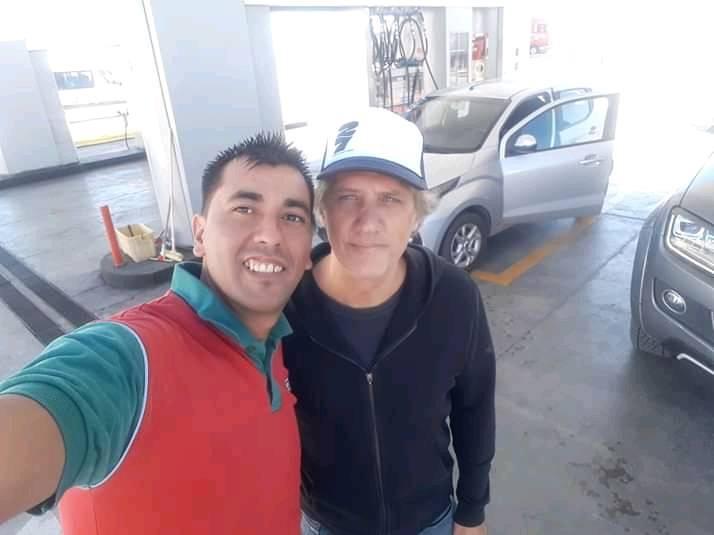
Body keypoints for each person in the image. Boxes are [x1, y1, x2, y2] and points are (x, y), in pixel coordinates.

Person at [0, 133, 314, 534]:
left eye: (292, 217)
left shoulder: (278, 341)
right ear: (199, 235)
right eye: (244, 209)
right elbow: (54, 406)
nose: (270, 235)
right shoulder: (130, 358)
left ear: (308, 251)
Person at [283, 108, 496, 535]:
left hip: (429, 521)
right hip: (327, 524)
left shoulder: (453, 297)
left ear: (416, 216)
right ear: (322, 210)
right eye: (348, 198)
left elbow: (474, 408)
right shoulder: (284, 305)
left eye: (390, 199)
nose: (368, 223)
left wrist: (472, 510)